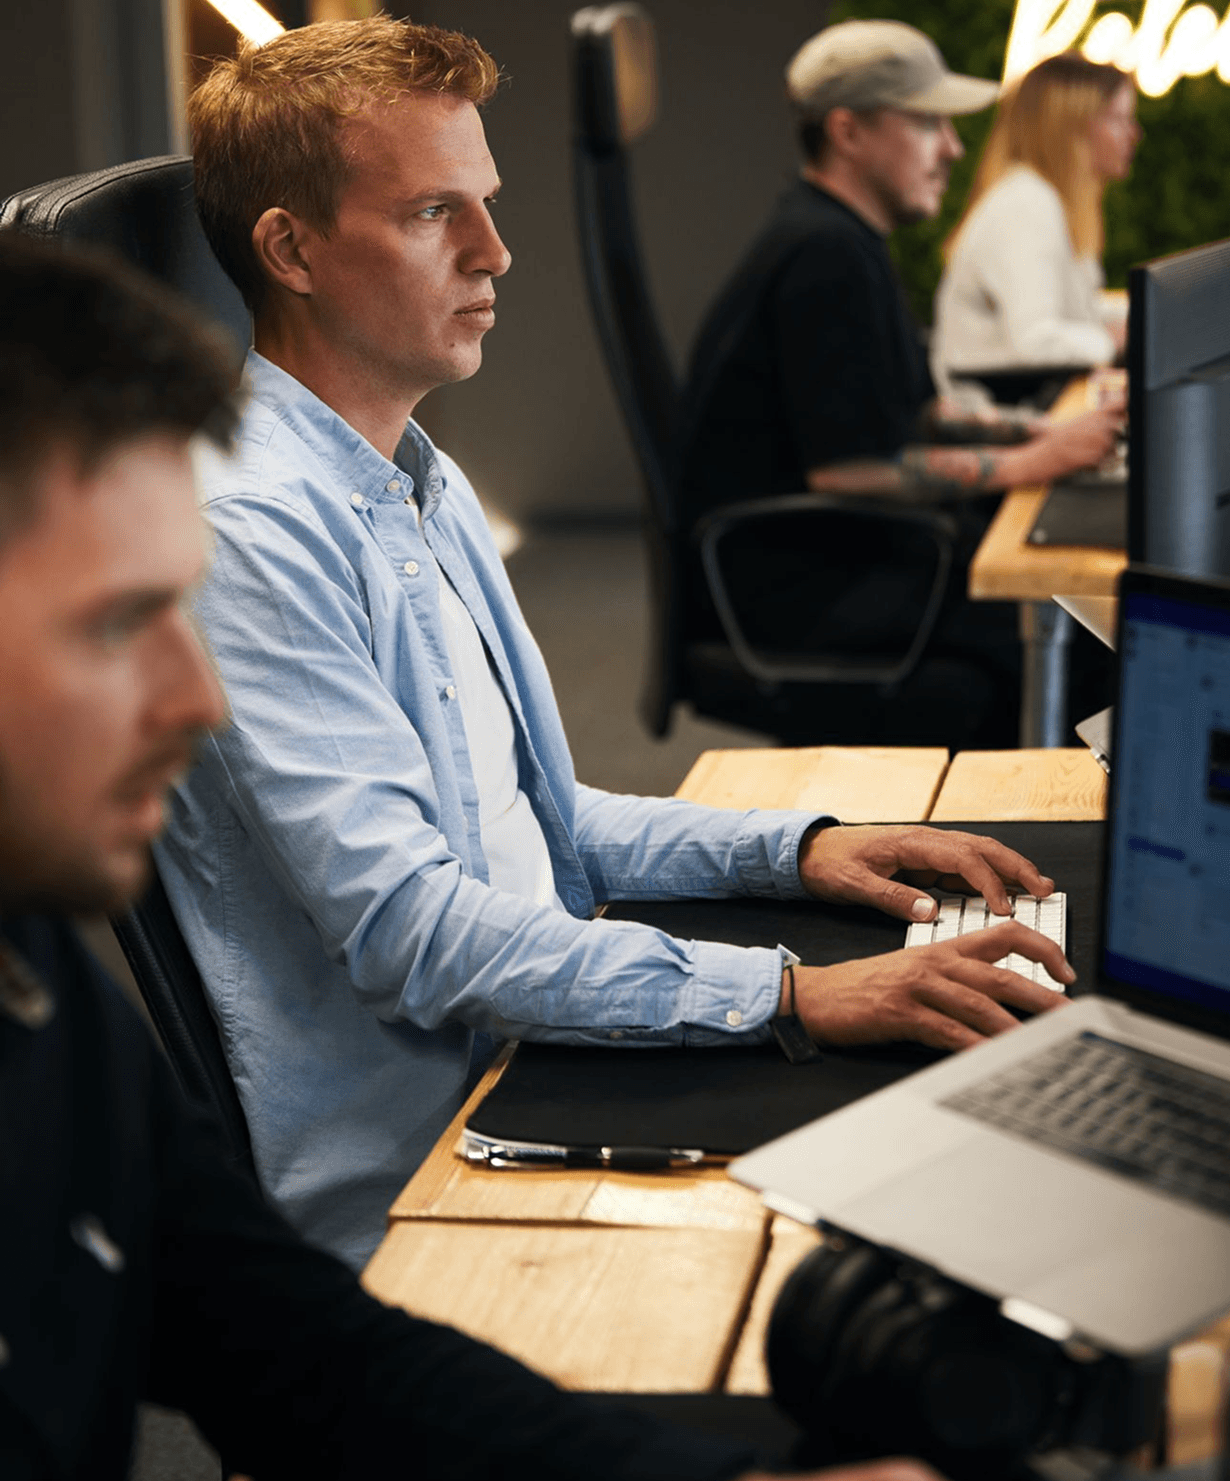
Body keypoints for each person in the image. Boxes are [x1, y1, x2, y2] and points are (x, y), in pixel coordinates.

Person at [0, 229, 954, 1481]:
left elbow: (306, 1357)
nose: (197, 700)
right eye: (121, 622)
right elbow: (416, 928)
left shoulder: (36, 994)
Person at [153, 14, 1074, 1270]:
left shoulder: (418, 476)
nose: (497, 249)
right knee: (926, 1257)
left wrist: (807, 852)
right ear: (290, 248)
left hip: (541, 1044)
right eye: (435, 214)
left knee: (976, 1149)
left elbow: (549, 824)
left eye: (487, 202)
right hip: (438, 1164)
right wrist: (794, 992)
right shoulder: (250, 529)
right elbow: (414, 931)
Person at [677, 20, 1126, 745]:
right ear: (848, 131)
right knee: (1088, 645)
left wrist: (1040, 431)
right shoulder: (823, 258)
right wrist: (1030, 463)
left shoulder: (844, 238)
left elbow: (914, 412)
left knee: (1076, 619)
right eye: (926, 123)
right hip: (801, 584)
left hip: (833, 557)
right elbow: (849, 468)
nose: (952, 147)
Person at [930, 52, 1140, 414]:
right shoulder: (1026, 205)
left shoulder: (1042, 199)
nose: (1133, 134)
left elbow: (1070, 305)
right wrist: (1114, 338)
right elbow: (1034, 341)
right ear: (1071, 126)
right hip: (994, 425)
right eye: (1118, 119)